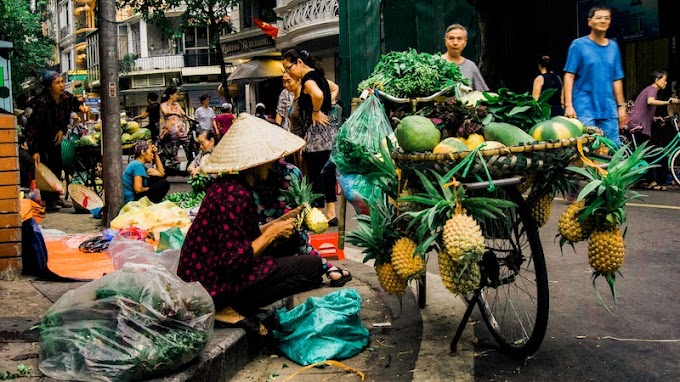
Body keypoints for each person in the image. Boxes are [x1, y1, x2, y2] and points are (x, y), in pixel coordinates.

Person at [178, 114, 331, 334]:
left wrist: (279, 223)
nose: (271, 166)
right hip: (213, 285)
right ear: (255, 164)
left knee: (288, 244)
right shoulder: (234, 194)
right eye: (267, 162)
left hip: (212, 277)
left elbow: (242, 236)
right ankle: (227, 308)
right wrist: (273, 233)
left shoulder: (233, 187)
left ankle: (237, 302)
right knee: (312, 269)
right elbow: (235, 259)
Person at [282, 48, 339, 224]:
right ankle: (331, 213)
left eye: (288, 67)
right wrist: (326, 108)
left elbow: (318, 94)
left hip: (315, 135)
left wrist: (316, 111)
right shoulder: (319, 75)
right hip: (329, 132)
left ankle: (318, 214)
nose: (287, 72)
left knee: (315, 174)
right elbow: (333, 89)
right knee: (328, 172)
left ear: (299, 63)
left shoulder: (307, 80)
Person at [563, 6, 627, 146]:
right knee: (587, 148)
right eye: (598, 17)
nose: (603, 21)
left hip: (608, 108)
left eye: (606, 18)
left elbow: (617, 79)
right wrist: (569, 105)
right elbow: (569, 75)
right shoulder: (578, 45)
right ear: (589, 22)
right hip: (584, 106)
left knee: (613, 148)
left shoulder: (613, 47)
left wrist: (621, 106)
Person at [25, 71, 81, 211]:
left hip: (55, 138)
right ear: (49, 86)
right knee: (44, 169)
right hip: (40, 140)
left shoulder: (66, 98)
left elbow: (68, 115)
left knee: (56, 166)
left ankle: (56, 198)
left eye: (62, 82)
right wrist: (34, 150)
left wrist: (62, 130)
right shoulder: (41, 102)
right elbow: (32, 128)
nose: (62, 85)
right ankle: (48, 201)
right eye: (57, 83)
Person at [626, 70, 679, 190]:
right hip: (638, 125)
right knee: (649, 154)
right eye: (664, 80)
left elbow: (644, 108)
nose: (665, 83)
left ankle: (645, 180)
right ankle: (651, 182)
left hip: (638, 123)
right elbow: (650, 101)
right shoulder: (652, 89)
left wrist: (655, 118)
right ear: (657, 80)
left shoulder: (649, 90)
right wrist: (668, 101)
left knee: (647, 153)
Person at [441, 24, 489, 91]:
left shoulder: (470, 66)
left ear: (465, 42)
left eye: (459, 39)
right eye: (451, 38)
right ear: (445, 41)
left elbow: (482, 94)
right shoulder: (435, 64)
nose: (455, 43)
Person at [159, 86, 193, 164]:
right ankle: (174, 158)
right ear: (171, 95)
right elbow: (165, 113)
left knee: (187, 142)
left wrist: (191, 119)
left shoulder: (177, 104)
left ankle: (190, 160)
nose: (177, 96)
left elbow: (184, 114)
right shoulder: (163, 105)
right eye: (176, 94)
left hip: (180, 129)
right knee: (175, 136)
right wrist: (174, 113)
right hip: (168, 129)